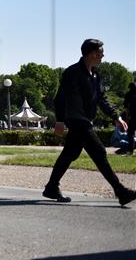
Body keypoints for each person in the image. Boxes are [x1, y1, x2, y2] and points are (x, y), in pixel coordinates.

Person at [43, 39, 136, 206]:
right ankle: (120, 191)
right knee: (99, 152)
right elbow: (60, 97)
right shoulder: (72, 72)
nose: (103, 55)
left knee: (70, 153)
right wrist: (59, 120)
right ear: (91, 54)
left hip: (86, 120)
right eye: (100, 52)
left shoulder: (95, 75)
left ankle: (51, 187)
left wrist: (116, 117)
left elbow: (101, 99)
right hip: (77, 120)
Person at [124, 81, 136, 155]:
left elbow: (126, 107)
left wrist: (127, 117)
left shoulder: (128, 94)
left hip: (133, 117)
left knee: (130, 134)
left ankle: (130, 151)